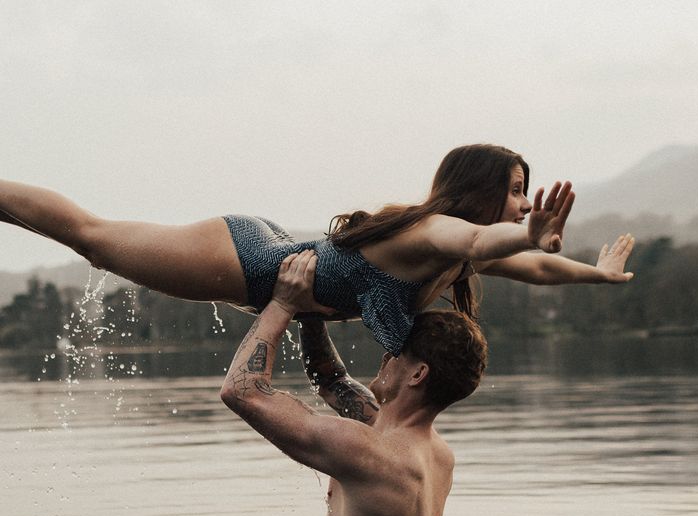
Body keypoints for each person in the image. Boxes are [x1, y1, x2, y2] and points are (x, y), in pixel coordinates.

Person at [0, 144, 634, 354]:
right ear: (480, 191)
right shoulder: (436, 233)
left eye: (528, 196)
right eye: (518, 193)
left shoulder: (459, 255)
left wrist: (596, 276)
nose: (526, 204)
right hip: (246, 259)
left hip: (276, 250)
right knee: (95, 241)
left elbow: (535, 266)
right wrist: (528, 230)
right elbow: (485, 237)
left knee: (95, 243)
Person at [220, 250, 488, 516]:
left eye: (396, 352)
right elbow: (332, 382)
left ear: (417, 374)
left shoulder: (371, 453)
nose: (385, 356)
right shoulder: (434, 455)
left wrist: (282, 303)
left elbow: (242, 392)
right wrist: (310, 312)